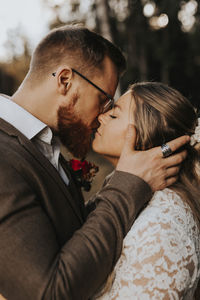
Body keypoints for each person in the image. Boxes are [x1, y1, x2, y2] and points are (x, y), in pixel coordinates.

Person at [0, 25, 188, 300]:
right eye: (103, 99)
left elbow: (71, 236)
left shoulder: (44, 146)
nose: (102, 114)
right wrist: (127, 185)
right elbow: (45, 293)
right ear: (64, 80)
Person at [92, 82, 200, 299]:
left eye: (114, 116)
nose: (100, 117)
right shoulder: (140, 197)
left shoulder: (162, 228)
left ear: (144, 136)